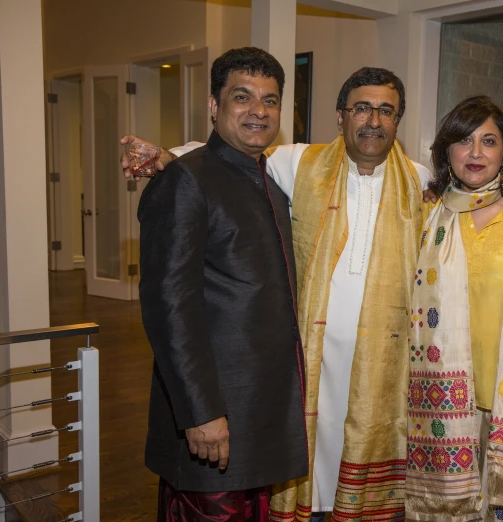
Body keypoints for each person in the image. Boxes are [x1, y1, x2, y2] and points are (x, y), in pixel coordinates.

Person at [124, 66, 430, 522]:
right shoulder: (300, 163)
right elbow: (217, 159)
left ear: (398, 121)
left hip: (374, 371)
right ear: (340, 117)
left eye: (386, 111)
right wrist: (170, 158)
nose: (373, 120)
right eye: (361, 108)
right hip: (302, 368)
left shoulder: (420, 181)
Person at [138, 47, 307, 522]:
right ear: (214, 106)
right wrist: (199, 412)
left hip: (257, 415)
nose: (259, 110)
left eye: (270, 100)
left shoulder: (270, 182)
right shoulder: (186, 181)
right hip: (213, 418)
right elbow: (168, 306)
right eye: (242, 97)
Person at [405, 96, 503, 522]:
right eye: (464, 141)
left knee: (496, 507)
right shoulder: (428, 212)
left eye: (488, 141)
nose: (475, 153)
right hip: (444, 388)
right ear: (446, 151)